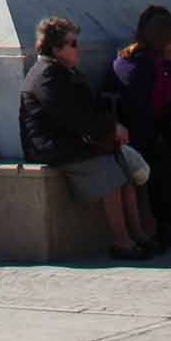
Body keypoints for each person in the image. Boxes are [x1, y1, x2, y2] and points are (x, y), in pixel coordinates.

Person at [19, 17, 155, 260]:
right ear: (56, 48)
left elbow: (87, 112)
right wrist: (110, 129)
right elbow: (73, 117)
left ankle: (139, 235)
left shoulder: (63, 71)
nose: (78, 48)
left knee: (123, 167)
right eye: (72, 43)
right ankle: (121, 242)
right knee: (109, 171)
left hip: (71, 140)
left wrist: (110, 129)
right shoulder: (46, 76)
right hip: (51, 146)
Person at [111, 6, 171, 242]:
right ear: (164, 41)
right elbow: (138, 113)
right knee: (163, 157)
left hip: (157, 129)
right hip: (135, 136)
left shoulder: (161, 64)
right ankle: (169, 225)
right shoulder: (136, 66)